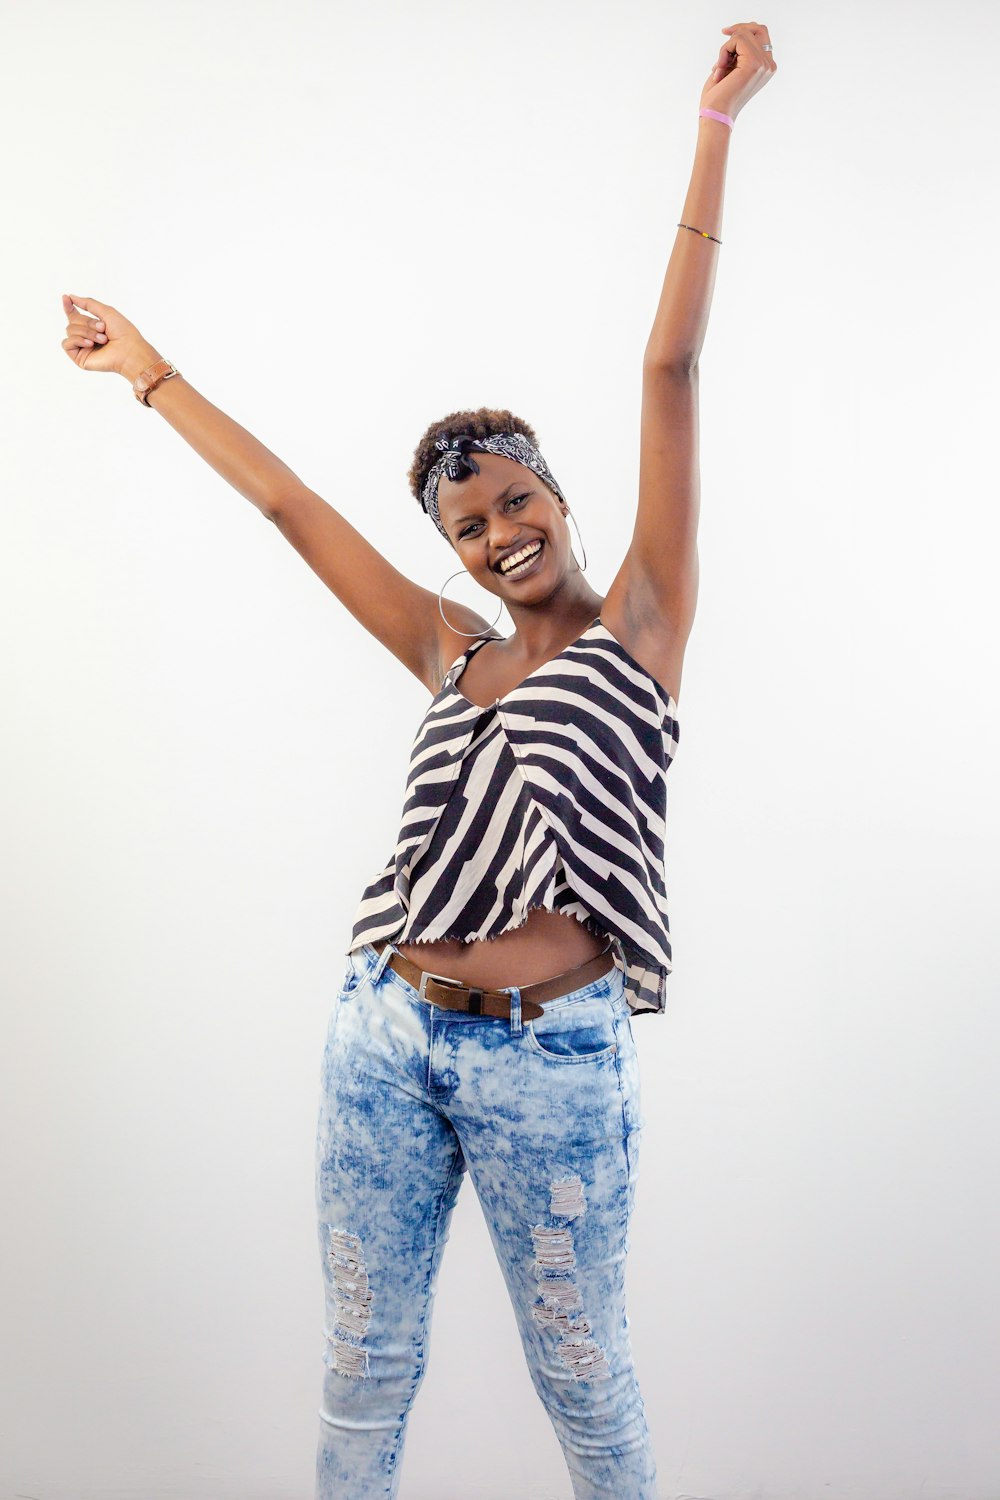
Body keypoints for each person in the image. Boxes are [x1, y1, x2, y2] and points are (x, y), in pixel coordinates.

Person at [60, 22, 775, 1498]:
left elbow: (673, 363)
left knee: (585, 1379)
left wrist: (718, 130)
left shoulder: (641, 624)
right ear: (448, 550)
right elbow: (292, 510)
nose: (503, 535)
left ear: (562, 498)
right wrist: (149, 372)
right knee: (363, 1374)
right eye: (470, 527)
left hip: (553, 1059)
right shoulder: (450, 648)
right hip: (384, 1037)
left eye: (520, 503)